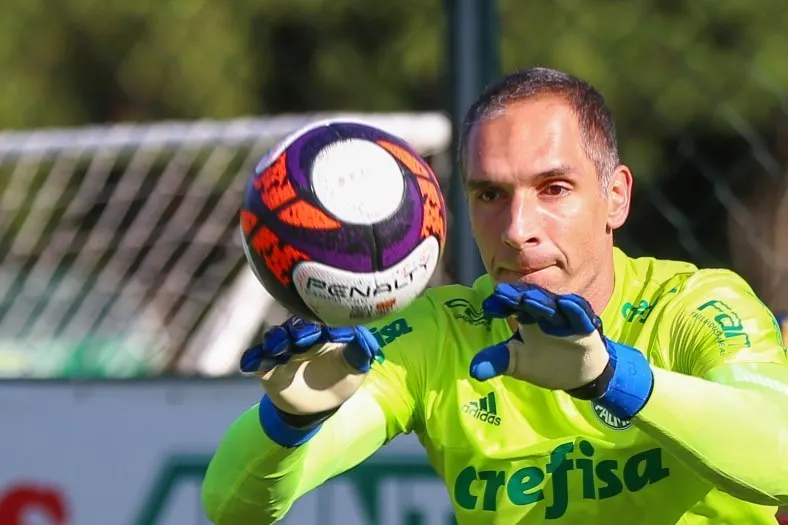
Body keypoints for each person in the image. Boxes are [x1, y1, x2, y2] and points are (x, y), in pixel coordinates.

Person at [201, 67, 788, 524]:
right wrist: (285, 424)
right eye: (489, 195)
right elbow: (232, 507)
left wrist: (612, 378)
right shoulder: (439, 335)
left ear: (615, 197)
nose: (516, 227)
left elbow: (781, 459)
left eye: (554, 188)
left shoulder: (693, 306)